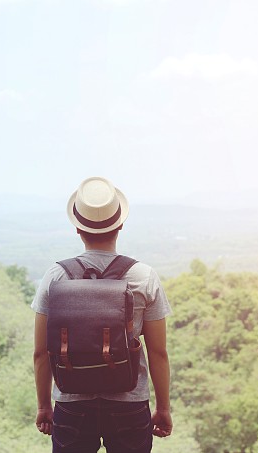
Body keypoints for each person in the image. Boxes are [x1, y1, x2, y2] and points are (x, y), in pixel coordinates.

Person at [32, 176, 173, 453]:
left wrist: (44, 406)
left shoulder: (56, 275)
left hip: (72, 404)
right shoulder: (144, 277)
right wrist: (163, 408)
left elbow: (41, 352)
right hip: (130, 405)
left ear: (77, 229)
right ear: (120, 224)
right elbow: (158, 353)